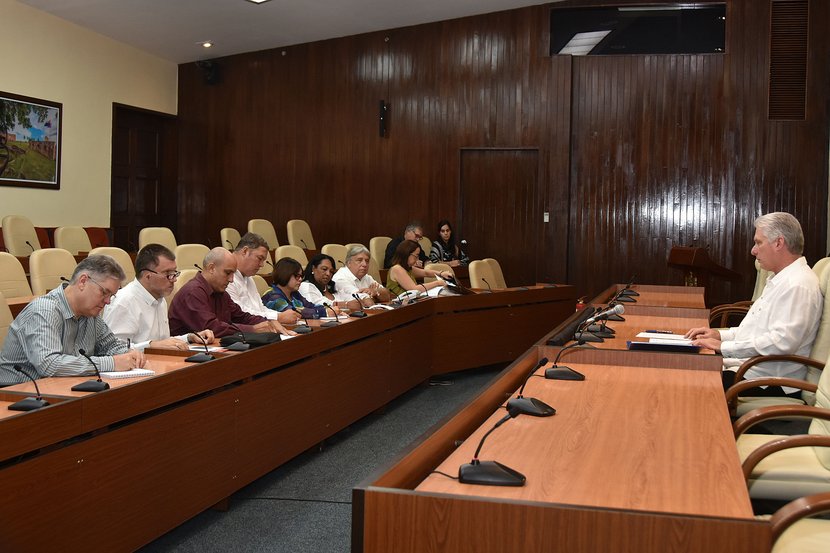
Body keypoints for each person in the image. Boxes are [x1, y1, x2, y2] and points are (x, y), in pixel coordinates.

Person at [685, 212, 823, 396]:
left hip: (770, 382)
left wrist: (723, 347)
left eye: (758, 242)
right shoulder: (780, 279)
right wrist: (719, 335)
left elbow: (781, 343)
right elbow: (754, 331)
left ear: (778, 243)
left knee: (688, 381)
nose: (753, 250)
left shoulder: (797, 285)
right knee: (683, 364)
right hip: (748, 370)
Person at [0, 255, 145, 386]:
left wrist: (130, 353)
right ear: (83, 281)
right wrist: (112, 363)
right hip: (16, 394)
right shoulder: (44, 311)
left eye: (111, 295)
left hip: (58, 388)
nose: (107, 301)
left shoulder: (90, 314)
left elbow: (111, 346)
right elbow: (49, 365)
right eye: (104, 292)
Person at [103, 244, 215, 351]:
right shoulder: (123, 302)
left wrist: (190, 337)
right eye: (167, 273)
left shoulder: (160, 298)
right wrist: (150, 346)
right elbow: (112, 349)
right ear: (147, 276)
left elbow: (163, 343)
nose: (174, 279)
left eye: (174, 272)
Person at [168, 247, 284, 338]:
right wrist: (253, 329)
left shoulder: (221, 293)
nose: (231, 279)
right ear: (211, 268)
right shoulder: (193, 292)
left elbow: (241, 316)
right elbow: (212, 328)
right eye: (228, 273)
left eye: (233, 273)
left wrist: (268, 322)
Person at [225, 232, 293, 334]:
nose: (261, 265)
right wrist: (278, 317)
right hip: (241, 332)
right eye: (260, 258)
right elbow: (238, 313)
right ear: (245, 251)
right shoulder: (226, 277)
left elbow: (260, 308)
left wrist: (279, 315)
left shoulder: (249, 278)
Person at [262, 257, 327, 320]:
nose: (300, 279)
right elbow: (294, 313)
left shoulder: (294, 294)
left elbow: (311, 306)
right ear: (285, 274)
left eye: (301, 276)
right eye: (297, 276)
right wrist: (324, 312)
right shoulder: (273, 296)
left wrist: (326, 309)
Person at [387, 240, 453, 297]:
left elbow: (425, 272)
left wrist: (441, 273)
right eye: (416, 256)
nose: (417, 259)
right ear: (407, 254)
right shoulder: (397, 269)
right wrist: (438, 283)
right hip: (398, 305)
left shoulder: (407, 268)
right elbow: (414, 289)